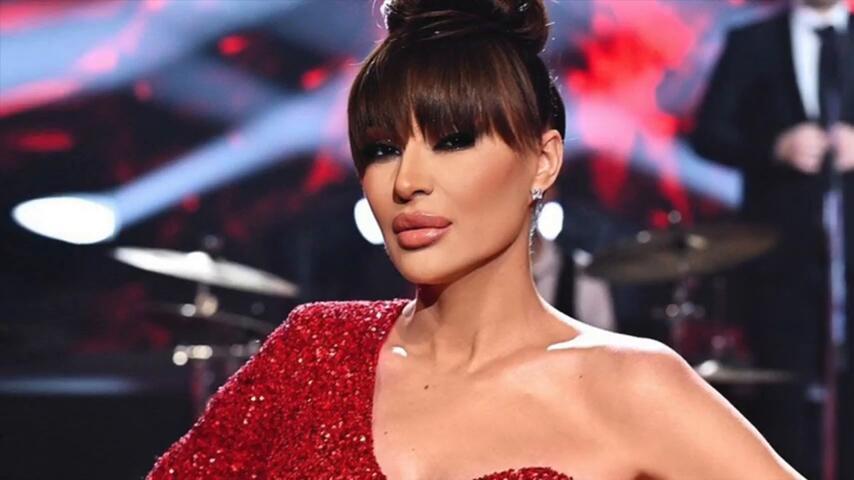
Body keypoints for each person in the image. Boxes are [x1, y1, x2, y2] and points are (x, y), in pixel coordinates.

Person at [147, 1, 804, 478]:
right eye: (381, 149)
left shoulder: (631, 385)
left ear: (543, 160)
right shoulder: (312, 351)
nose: (408, 181)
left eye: (453, 141)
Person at [689, 0, 853, 477]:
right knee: (783, 406)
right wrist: (773, 148)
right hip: (779, 259)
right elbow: (708, 133)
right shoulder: (752, 41)